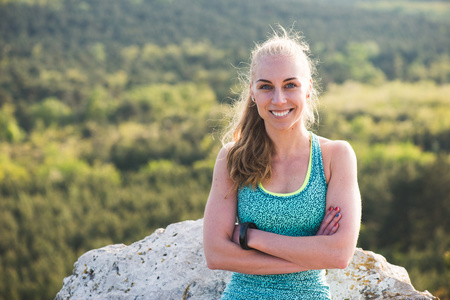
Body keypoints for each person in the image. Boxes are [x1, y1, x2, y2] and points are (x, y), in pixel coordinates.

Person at [203, 26, 361, 300]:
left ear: (308, 88)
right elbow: (216, 254)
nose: (279, 99)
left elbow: (339, 254)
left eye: (290, 85)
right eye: (266, 87)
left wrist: (250, 238)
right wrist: (311, 253)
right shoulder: (232, 159)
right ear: (252, 92)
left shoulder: (335, 156)